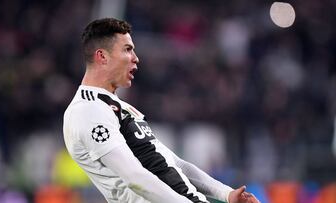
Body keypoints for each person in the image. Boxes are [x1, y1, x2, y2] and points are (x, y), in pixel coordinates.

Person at [63, 18, 260, 203]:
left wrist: (226, 193)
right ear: (102, 56)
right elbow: (134, 177)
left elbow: (172, 163)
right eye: (127, 50)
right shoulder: (88, 111)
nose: (135, 58)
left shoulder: (118, 107)